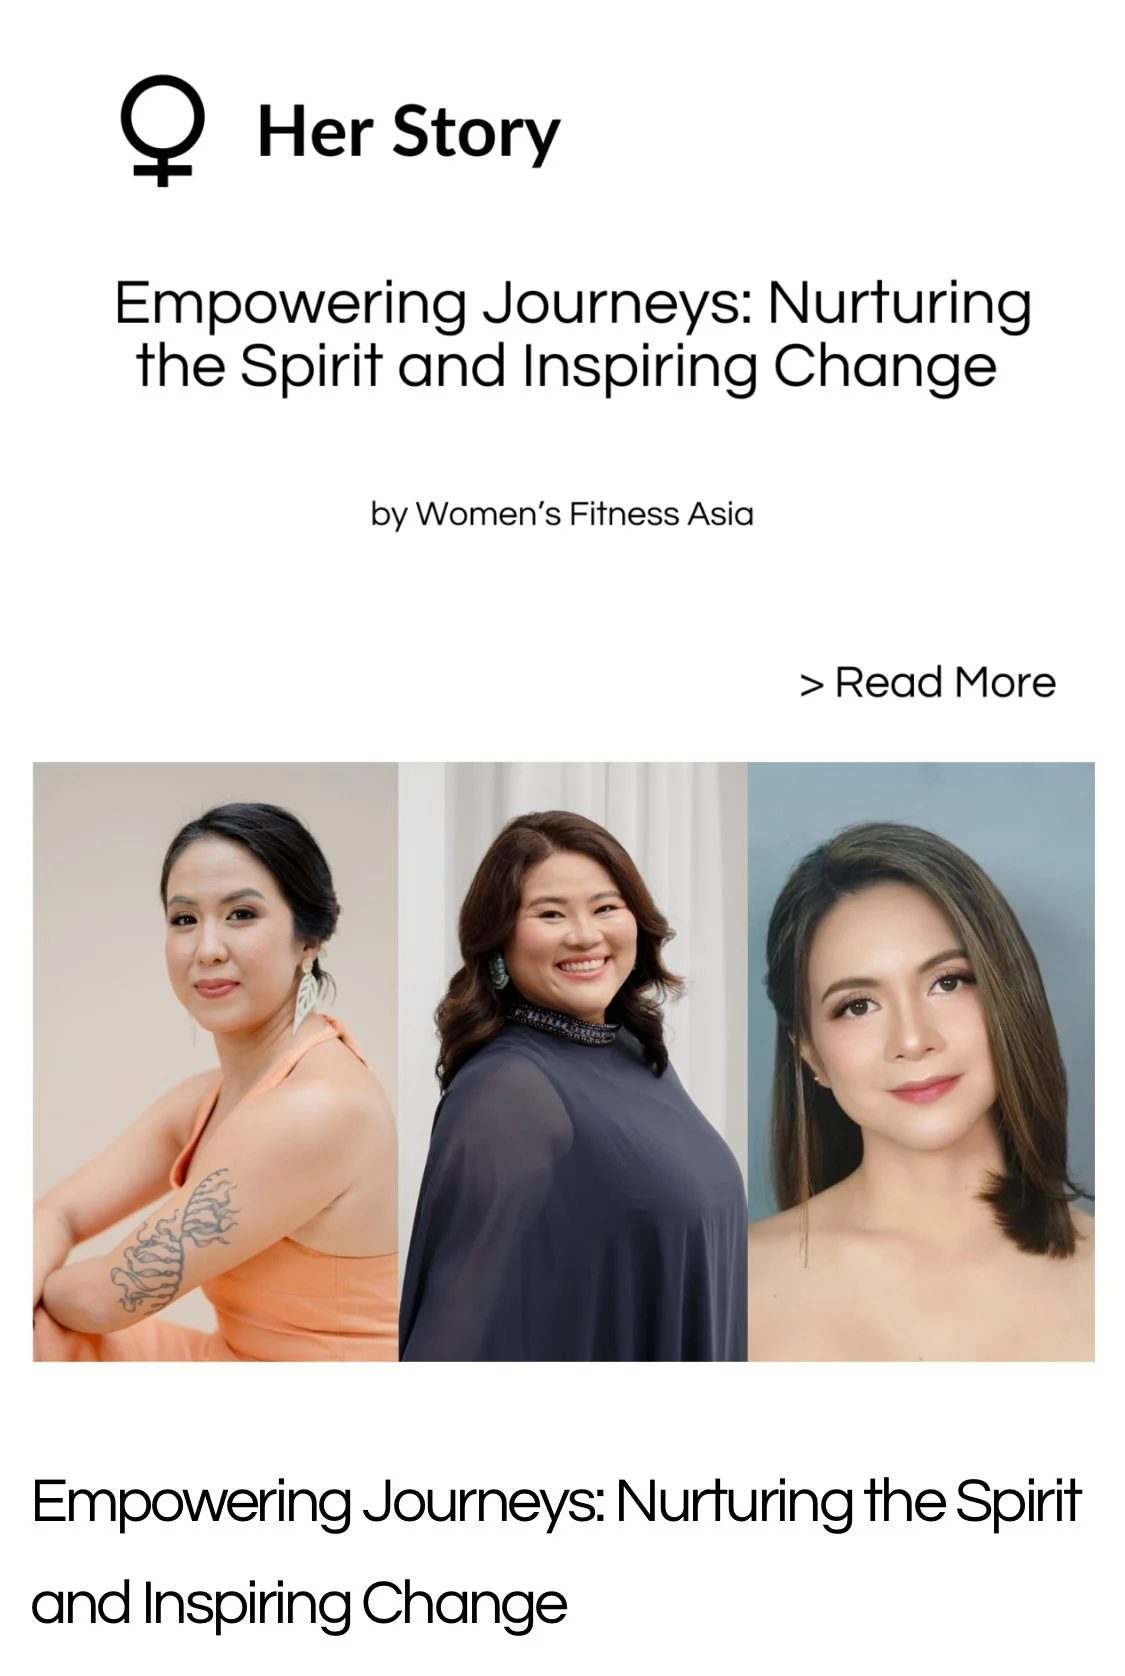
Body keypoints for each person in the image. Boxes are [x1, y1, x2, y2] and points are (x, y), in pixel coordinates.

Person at [34, 801, 398, 1361]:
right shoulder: (207, 1097)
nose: (207, 949)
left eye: (241, 914)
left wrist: (30, 1301)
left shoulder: (320, 1106)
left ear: (310, 938)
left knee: (37, 1337)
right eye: (184, 919)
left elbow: (111, 1297)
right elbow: (57, 1213)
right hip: (228, 1359)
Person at [400, 810, 748, 1361]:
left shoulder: (634, 1051)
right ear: (497, 941)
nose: (586, 935)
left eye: (606, 907)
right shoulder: (509, 1092)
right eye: (550, 913)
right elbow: (450, 1337)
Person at [748, 821, 1093, 1361]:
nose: (912, 1040)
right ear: (810, 1052)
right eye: (857, 1005)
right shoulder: (724, 1287)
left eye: (947, 982)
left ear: (1009, 993)